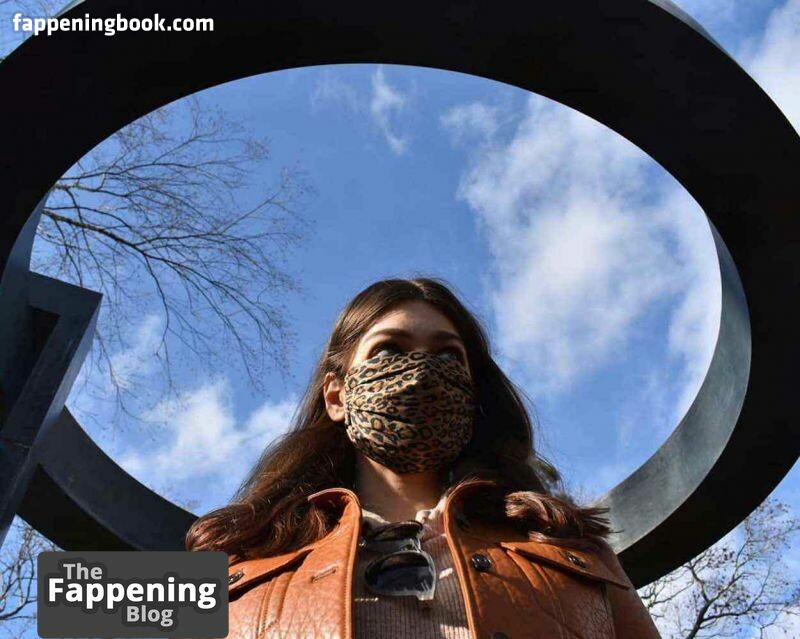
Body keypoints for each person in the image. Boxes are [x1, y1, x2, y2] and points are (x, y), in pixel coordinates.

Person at [186, 277, 662, 639]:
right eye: (388, 349)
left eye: (448, 356)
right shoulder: (235, 562)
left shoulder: (573, 550)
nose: (419, 373)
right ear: (336, 395)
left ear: (472, 395)